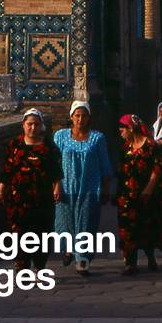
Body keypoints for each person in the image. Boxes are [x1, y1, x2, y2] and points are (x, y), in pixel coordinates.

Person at [0, 107, 62, 269]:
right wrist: (1, 189)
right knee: (19, 232)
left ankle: (40, 266)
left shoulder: (48, 147)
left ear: (41, 126)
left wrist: (57, 187)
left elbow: (55, 171)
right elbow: (7, 169)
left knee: (42, 232)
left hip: (42, 198)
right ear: (23, 125)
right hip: (18, 197)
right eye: (29, 124)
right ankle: (22, 265)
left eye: (36, 124)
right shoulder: (15, 145)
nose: (33, 128)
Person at [54, 100, 112, 276]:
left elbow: (105, 165)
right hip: (66, 185)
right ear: (71, 117)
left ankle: (82, 258)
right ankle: (69, 250)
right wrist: (55, 185)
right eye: (77, 115)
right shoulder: (60, 136)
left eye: (84, 116)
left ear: (89, 118)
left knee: (86, 223)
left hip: (89, 187)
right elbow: (55, 163)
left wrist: (105, 187)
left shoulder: (97, 138)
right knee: (65, 221)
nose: (80, 119)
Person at [116, 113, 162, 275]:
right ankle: (131, 263)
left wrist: (149, 188)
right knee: (127, 228)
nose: (121, 133)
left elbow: (157, 169)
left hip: (148, 194)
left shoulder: (151, 146)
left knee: (148, 224)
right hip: (127, 195)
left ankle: (151, 256)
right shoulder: (126, 148)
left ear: (131, 128)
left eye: (123, 129)